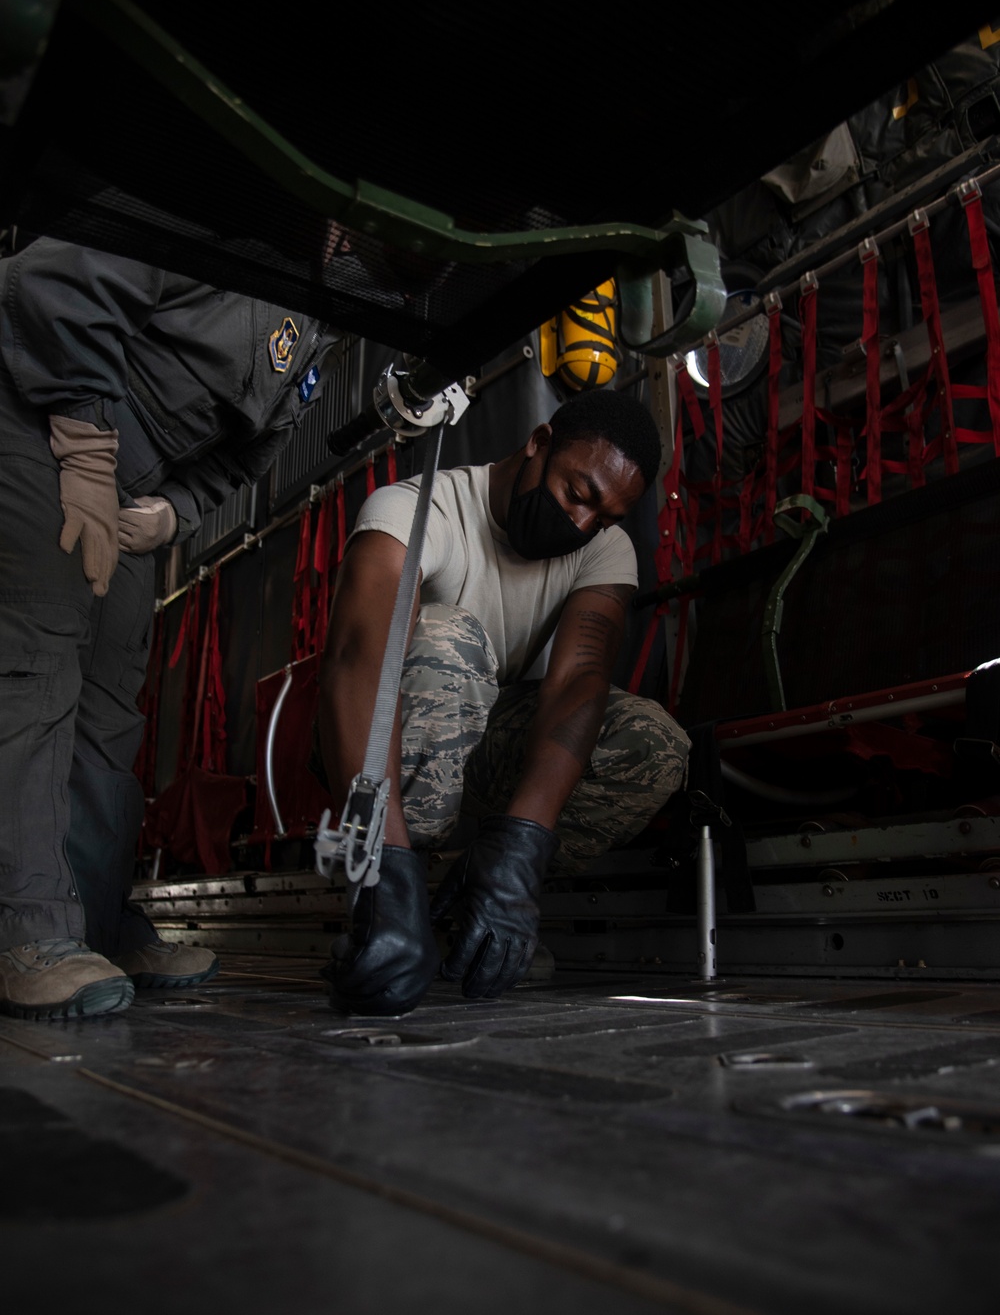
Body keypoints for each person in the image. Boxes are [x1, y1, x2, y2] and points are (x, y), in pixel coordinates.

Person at [0, 234, 340, 1020]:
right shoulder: (225, 209)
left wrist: (176, 514)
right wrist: (84, 446)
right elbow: (56, 284)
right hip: (32, 408)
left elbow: (250, 458)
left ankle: (97, 924)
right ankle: (25, 929)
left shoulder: (325, 326)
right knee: (36, 660)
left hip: (126, 483)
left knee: (112, 702)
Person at [318, 390, 691, 1016]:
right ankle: (396, 897)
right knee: (448, 638)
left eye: (603, 517)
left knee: (651, 743)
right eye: (577, 493)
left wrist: (519, 853)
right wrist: (377, 872)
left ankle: (472, 903)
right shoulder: (414, 510)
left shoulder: (604, 550)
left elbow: (579, 678)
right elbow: (360, 664)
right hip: (385, 742)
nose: (580, 525)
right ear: (538, 444)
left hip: (491, 745)